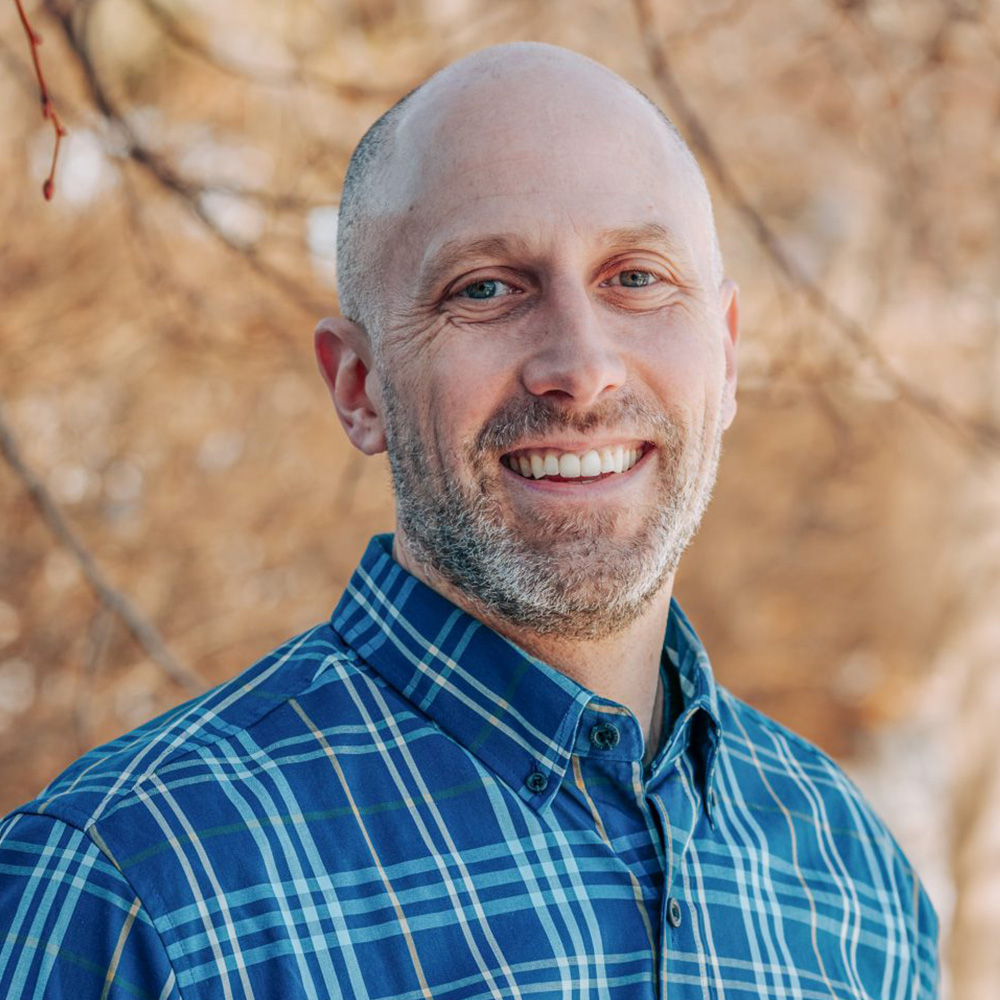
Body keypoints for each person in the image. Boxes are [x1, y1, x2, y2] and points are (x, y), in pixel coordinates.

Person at [0, 42, 938, 1000]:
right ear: (359, 386)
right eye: (486, 288)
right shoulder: (129, 889)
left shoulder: (856, 880)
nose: (583, 367)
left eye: (636, 277)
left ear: (727, 358)